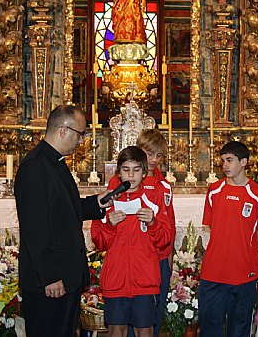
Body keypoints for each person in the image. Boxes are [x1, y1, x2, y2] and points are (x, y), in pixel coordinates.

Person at [14, 105, 110, 337]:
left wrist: (96, 203)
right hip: (50, 280)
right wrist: (50, 276)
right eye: (80, 134)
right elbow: (35, 229)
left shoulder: (54, 162)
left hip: (65, 275)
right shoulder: (34, 167)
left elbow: (63, 210)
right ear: (64, 130)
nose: (81, 141)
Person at [91, 146, 172, 337]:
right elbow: (99, 243)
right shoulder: (106, 201)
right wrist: (110, 226)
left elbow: (165, 241)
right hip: (116, 280)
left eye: (136, 170)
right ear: (118, 172)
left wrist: (152, 223)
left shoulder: (153, 200)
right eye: (126, 170)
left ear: (144, 172)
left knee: (144, 331)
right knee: (116, 331)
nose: (131, 175)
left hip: (145, 280)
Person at [199, 141, 258, 336]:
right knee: (209, 328)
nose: (225, 165)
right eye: (223, 161)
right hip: (213, 273)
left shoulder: (257, 194)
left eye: (229, 160)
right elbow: (214, 226)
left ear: (244, 162)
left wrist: (242, 246)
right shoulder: (214, 190)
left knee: (238, 329)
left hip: (243, 272)